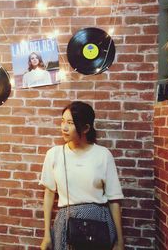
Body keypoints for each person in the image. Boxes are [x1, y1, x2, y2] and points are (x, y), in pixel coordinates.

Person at [40, 101, 124, 250]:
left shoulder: (103, 155)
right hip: (66, 222)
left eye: (70, 123)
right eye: (63, 121)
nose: (64, 127)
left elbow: (114, 200)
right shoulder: (54, 154)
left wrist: (119, 241)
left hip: (98, 222)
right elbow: (49, 194)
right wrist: (47, 234)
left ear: (85, 128)